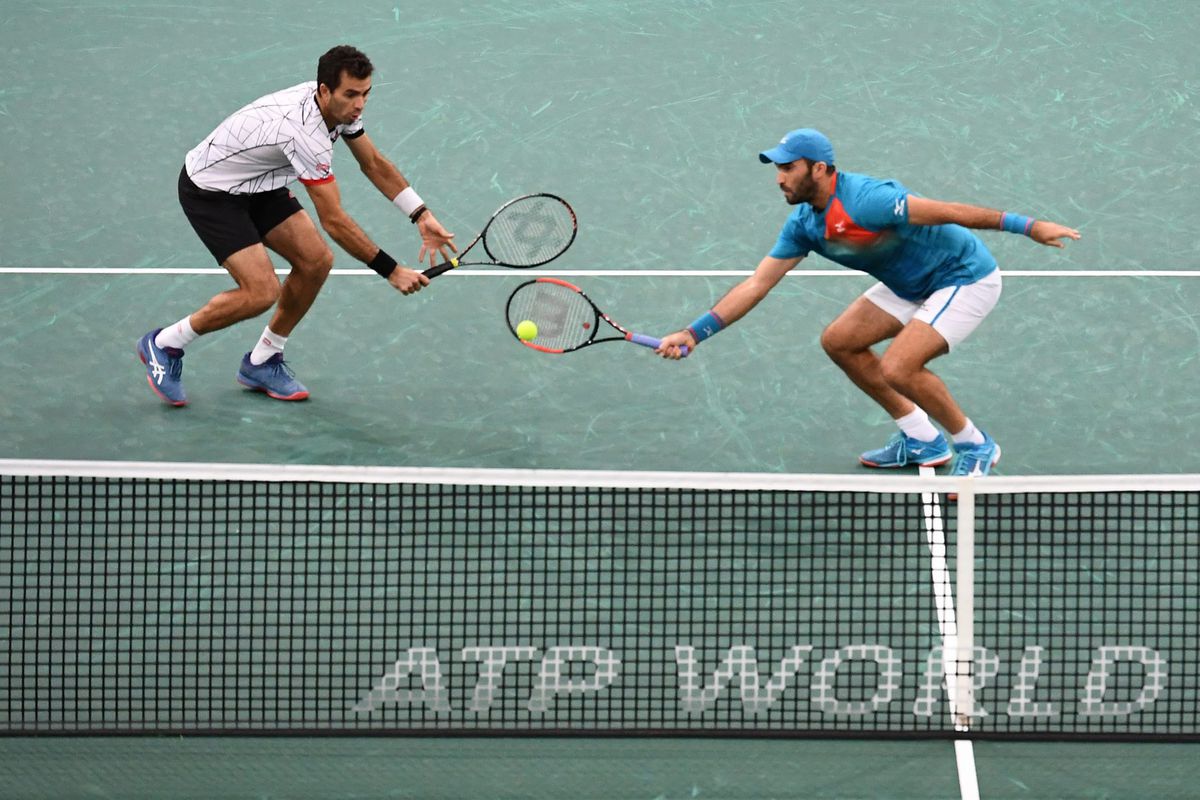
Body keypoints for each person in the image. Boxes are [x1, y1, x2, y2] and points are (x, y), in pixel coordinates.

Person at [656, 128, 1080, 477]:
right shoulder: (804, 224)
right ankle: (920, 436)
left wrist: (1031, 226)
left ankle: (975, 443)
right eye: (778, 169)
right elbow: (756, 285)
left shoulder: (868, 200)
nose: (779, 178)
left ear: (818, 168)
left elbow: (949, 210)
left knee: (900, 366)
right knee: (839, 341)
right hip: (907, 283)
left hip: (962, 277)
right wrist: (694, 333)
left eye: (788, 167)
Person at [137, 45, 456, 406]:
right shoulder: (302, 133)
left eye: (365, 94)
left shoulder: (340, 108)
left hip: (262, 182)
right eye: (351, 94)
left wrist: (421, 214)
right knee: (260, 291)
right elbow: (333, 220)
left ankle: (262, 360)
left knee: (316, 261)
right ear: (324, 90)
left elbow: (374, 163)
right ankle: (165, 343)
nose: (360, 105)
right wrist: (391, 269)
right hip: (212, 191)